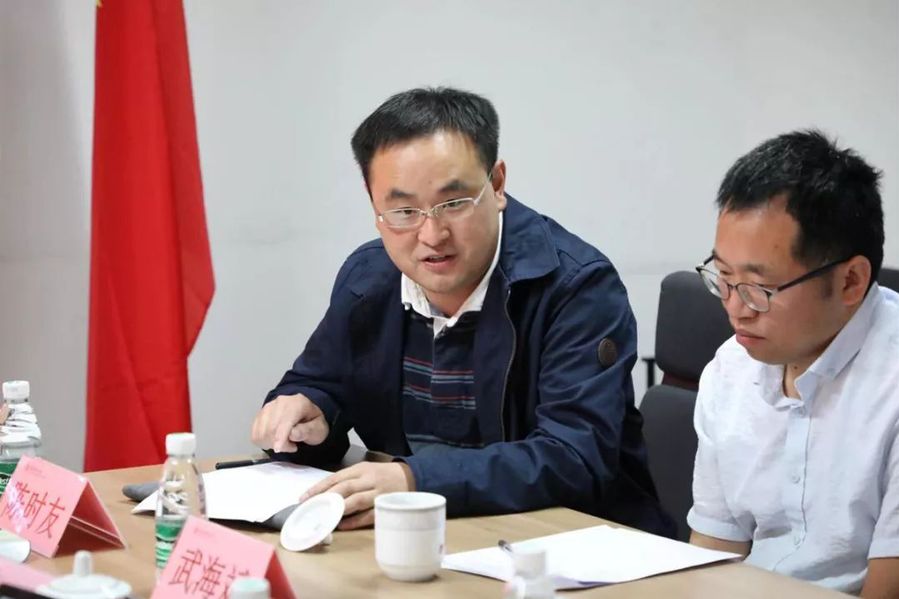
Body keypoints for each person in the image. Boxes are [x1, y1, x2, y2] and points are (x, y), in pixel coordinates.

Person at [251, 87, 673, 536]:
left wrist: (414, 481)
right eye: (403, 210)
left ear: (497, 184)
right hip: (432, 539)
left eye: (453, 203)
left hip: (576, 545)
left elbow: (573, 458)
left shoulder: (575, 287)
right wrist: (309, 417)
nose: (431, 235)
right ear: (373, 202)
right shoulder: (368, 278)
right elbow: (320, 384)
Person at [688, 130, 899, 596]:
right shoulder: (730, 369)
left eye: (759, 288)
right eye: (723, 277)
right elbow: (712, 554)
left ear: (850, 281)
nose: (735, 308)